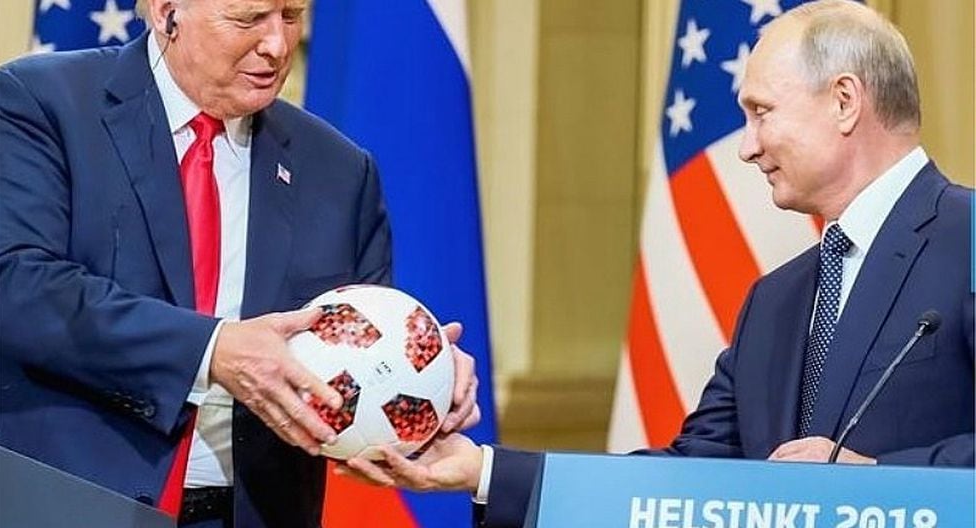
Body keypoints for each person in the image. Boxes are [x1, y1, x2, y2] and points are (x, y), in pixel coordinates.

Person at [335, 2, 974, 527]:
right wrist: (482, 471)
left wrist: (878, 481)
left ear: (844, 101)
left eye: (761, 112)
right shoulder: (776, 300)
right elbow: (686, 480)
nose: (747, 147)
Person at [0, 0, 480, 526]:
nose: (276, 45)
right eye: (249, 19)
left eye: (291, 16)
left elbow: (362, 350)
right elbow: (17, 285)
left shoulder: (340, 171)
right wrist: (212, 349)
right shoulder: (43, 103)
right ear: (166, 12)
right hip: (70, 505)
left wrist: (427, 385)